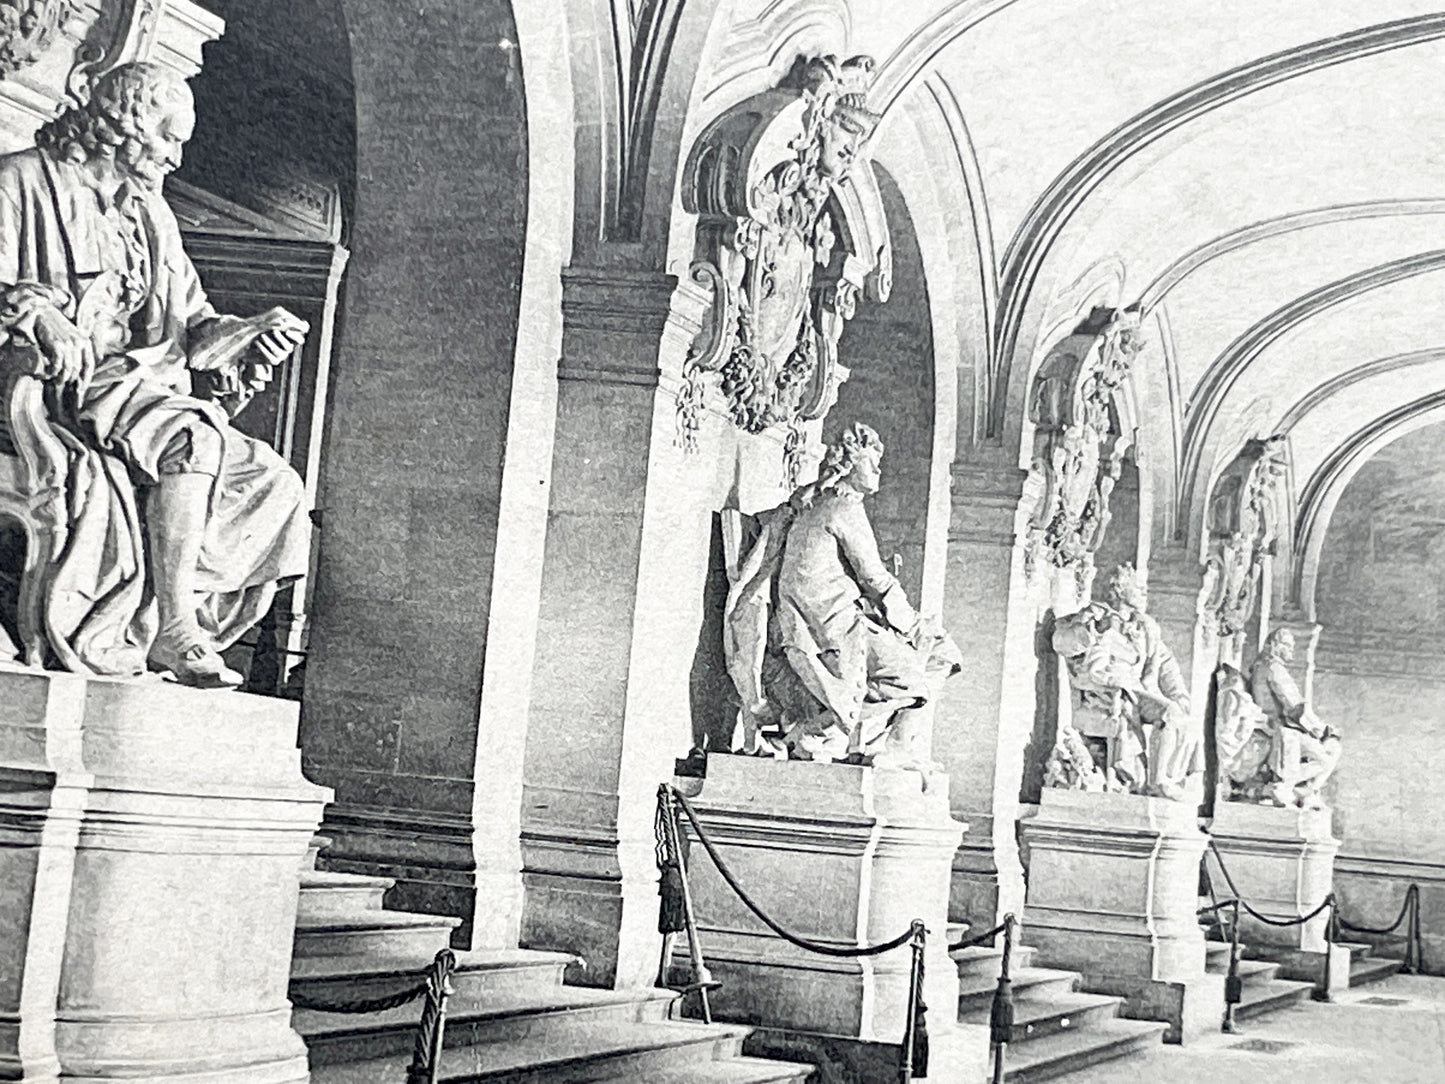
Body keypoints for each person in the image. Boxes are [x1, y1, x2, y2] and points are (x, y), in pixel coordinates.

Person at [0, 62, 310, 687]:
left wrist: (245, 335)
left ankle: (170, 613)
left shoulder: (151, 216)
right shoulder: (22, 181)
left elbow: (192, 325)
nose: (175, 158)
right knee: (191, 435)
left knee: (274, 481)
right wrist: (37, 312)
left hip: (139, 388)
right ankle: (174, 631)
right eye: (168, 139)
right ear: (125, 127)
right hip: (57, 386)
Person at [723, 423, 957, 764]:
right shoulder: (843, 507)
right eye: (870, 461)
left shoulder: (819, 501)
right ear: (848, 464)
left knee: (923, 660)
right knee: (916, 676)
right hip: (827, 627)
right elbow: (875, 578)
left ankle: (815, 733)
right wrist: (912, 625)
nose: (878, 469)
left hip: (812, 620)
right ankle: (842, 738)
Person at [1052, 564, 1202, 799]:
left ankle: (1168, 778)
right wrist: (1092, 632)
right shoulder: (1097, 615)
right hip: (1109, 690)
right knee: (1170, 713)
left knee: (1181, 715)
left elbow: (1165, 662)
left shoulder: (1145, 627)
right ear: (1120, 589)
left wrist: (1179, 694)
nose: (1144, 594)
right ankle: (1159, 781)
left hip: (1137, 690)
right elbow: (1063, 644)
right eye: (1140, 589)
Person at [1249, 628, 1342, 809]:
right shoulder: (1275, 669)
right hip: (1282, 728)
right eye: (1288, 646)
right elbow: (1294, 707)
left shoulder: (1262, 666)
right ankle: (1292, 788)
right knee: (1327, 756)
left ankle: (1303, 790)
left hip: (1277, 725)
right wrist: (1322, 730)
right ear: (1276, 645)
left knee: (1328, 751)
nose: (1291, 651)